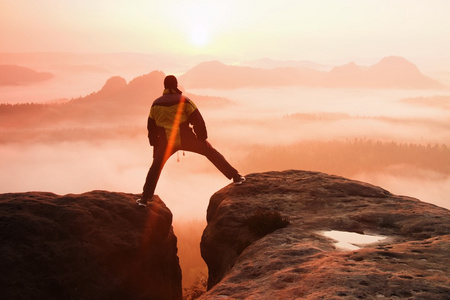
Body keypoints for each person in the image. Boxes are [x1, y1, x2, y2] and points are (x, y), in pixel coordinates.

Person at [137, 75, 245, 207]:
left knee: (155, 167)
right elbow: (198, 120)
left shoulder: (156, 104)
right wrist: (202, 139)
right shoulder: (185, 101)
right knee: (210, 152)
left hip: (165, 142)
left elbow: (151, 127)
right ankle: (236, 177)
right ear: (176, 85)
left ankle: (144, 199)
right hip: (186, 138)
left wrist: (155, 144)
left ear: (164, 86)